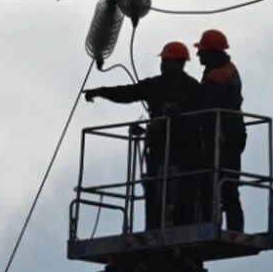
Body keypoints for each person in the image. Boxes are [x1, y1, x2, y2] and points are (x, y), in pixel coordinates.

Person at [83, 41, 201, 229]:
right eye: (162, 60)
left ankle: (181, 224)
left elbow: (201, 113)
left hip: (184, 146)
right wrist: (100, 92)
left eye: (166, 60)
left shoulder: (192, 88)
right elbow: (127, 93)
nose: (162, 64)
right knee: (155, 187)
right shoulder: (157, 85)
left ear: (179, 63)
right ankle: (154, 227)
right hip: (161, 145)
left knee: (184, 187)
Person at [192, 29, 247, 231]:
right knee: (226, 183)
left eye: (202, 51)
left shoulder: (219, 76)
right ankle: (232, 227)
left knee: (214, 181)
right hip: (231, 131)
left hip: (224, 134)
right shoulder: (224, 69)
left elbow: (205, 105)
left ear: (213, 53)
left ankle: (210, 224)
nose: (198, 55)